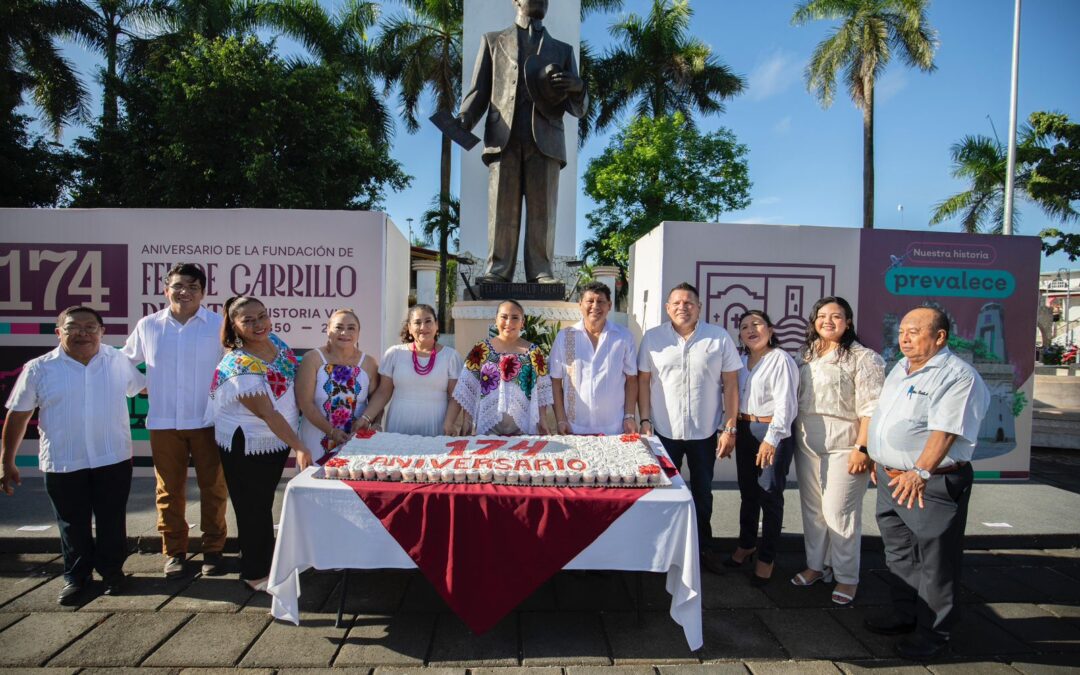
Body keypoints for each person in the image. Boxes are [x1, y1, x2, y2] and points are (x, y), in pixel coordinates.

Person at [865, 306, 989, 660]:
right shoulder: (900, 368)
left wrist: (919, 473)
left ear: (939, 337)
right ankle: (905, 614)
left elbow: (945, 432)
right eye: (902, 330)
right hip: (893, 479)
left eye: (914, 331)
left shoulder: (956, 375)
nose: (904, 337)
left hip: (928, 483)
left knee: (936, 562)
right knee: (900, 552)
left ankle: (935, 634)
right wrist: (880, 456)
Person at [2, 306, 145, 604]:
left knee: (111, 520)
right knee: (71, 523)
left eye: (90, 327)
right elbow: (18, 416)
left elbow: (142, 389)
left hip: (112, 458)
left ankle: (112, 573)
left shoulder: (117, 360)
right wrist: (6, 461)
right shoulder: (39, 368)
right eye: (73, 327)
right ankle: (76, 578)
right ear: (59, 333)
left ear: (102, 331)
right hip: (63, 461)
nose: (83, 333)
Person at [457, 0, 587, 283]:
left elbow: (578, 108)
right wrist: (466, 117)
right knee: (502, 210)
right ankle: (497, 270)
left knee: (544, 211)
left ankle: (541, 270)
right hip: (504, 136)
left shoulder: (563, 50)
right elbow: (479, 90)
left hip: (547, 139)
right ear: (516, 0)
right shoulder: (492, 41)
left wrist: (578, 88)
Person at [123, 262, 228, 579]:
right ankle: (175, 553)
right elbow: (125, 362)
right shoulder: (149, 325)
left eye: (193, 287)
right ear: (166, 289)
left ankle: (213, 551)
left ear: (204, 292)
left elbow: (234, 366)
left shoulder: (219, 325)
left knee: (214, 488)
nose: (185, 292)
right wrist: (141, 385)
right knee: (168, 491)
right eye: (179, 286)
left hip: (209, 420)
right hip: (164, 420)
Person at [206, 296, 313, 591]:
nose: (258, 324)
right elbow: (267, 413)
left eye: (262, 316)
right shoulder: (238, 363)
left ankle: (265, 561)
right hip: (248, 442)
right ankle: (254, 573)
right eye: (248, 320)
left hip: (278, 438)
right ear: (235, 326)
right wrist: (300, 446)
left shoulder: (275, 342)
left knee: (263, 503)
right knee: (252, 507)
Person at [637, 282, 741, 572]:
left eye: (689, 302)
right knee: (661, 492)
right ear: (667, 308)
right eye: (677, 303)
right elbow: (643, 382)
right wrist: (645, 419)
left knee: (702, 493)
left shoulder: (718, 338)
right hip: (662, 431)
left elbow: (731, 384)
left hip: (704, 432)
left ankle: (703, 549)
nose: (683, 307)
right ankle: (660, 551)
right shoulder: (653, 338)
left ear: (699, 307)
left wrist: (729, 427)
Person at [791, 296, 884, 606]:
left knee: (839, 513)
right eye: (822, 315)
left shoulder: (863, 357)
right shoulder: (805, 354)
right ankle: (816, 565)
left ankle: (847, 577)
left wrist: (863, 447)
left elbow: (872, 407)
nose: (828, 321)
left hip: (846, 441)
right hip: (806, 439)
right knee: (814, 511)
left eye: (836, 316)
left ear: (848, 322)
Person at [726, 310, 798, 586]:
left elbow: (786, 404)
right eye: (744, 326)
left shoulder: (780, 359)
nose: (750, 329)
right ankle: (746, 545)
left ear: (770, 328)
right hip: (744, 429)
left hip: (772, 431)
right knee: (748, 492)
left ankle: (766, 558)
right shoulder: (741, 360)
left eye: (756, 324)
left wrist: (772, 439)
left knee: (769, 494)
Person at [359, 304, 465, 436]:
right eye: (417, 323)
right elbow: (383, 392)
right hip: (398, 423)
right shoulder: (394, 354)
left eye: (428, 321)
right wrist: (366, 418)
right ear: (409, 328)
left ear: (436, 325)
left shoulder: (451, 356)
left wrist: (449, 423)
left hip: (437, 425)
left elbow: (455, 396)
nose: (423, 327)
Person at [550, 282, 638, 435]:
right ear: (580, 304)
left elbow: (632, 379)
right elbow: (556, 381)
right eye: (590, 301)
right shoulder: (564, 336)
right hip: (574, 427)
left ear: (609, 305)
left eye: (601, 301)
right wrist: (561, 420)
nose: (595, 306)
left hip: (614, 427)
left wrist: (629, 416)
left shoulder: (624, 337)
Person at [454, 299, 554, 434]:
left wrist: (543, 419)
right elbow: (468, 388)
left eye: (515, 318)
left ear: (522, 323)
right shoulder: (481, 349)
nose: (509, 322)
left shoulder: (534, 352)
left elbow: (542, 391)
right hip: (488, 428)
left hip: (523, 428)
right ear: (495, 320)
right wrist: (467, 420)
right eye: (504, 317)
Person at [296, 309, 378, 461]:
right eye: (338, 327)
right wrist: (331, 431)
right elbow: (305, 404)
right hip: (316, 438)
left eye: (351, 328)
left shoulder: (369, 363)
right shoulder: (312, 359)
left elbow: (376, 403)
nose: (344, 332)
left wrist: (375, 425)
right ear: (328, 330)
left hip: (355, 442)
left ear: (358, 333)